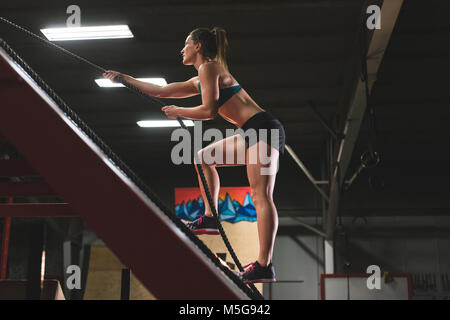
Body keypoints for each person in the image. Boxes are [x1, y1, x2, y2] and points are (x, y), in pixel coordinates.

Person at [102, 27, 285, 284]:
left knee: (260, 194)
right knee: (204, 157)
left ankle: (264, 265)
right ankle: (210, 217)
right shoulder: (200, 79)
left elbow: (209, 111)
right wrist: (124, 78)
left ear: (198, 46)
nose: (182, 49)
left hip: (264, 129)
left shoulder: (209, 67)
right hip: (251, 132)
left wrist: (180, 112)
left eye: (186, 44)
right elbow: (160, 91)